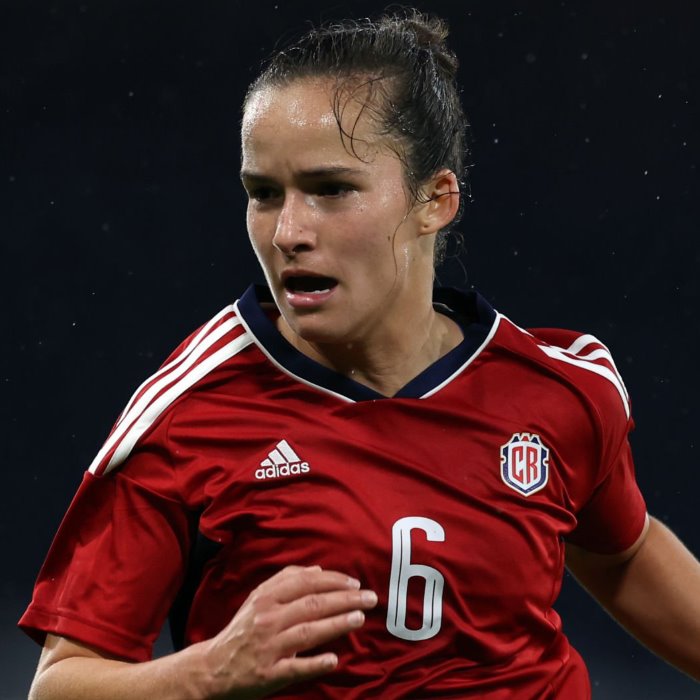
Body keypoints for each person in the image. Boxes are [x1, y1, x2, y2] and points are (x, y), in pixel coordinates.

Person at [20, 10, 700, 699]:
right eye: (264, 194)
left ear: (434, 200)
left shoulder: (559, 390)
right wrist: (206, 672)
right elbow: (60, 685)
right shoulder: (187, 414)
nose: (288, 231)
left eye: (331, 190)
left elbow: (623, 555)